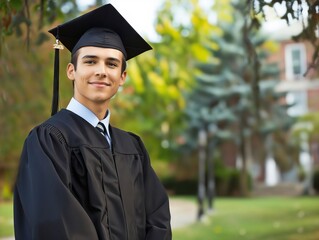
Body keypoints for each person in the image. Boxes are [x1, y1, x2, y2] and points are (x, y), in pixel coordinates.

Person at [13, 4, 172, 240]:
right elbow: (56, 227)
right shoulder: (49, 140)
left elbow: (158, 219)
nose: (101, 71)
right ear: (71, 71)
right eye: (90, 61)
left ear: (122, 77)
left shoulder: (133, 147)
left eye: (111, 64)